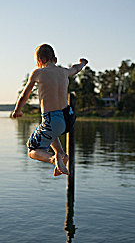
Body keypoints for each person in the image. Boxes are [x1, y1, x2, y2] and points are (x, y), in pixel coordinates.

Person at [12, 44, 88, 176]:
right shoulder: (64, 72)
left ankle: (53, 159)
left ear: (39, 61)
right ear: (56, 60)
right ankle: (61, 154)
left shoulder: (38, 73)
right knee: (51, 131)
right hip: (67, 119)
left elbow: (25, 94)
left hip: (52, 119)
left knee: (32, 149)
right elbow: (75, 69)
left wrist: (17, 110)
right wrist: (82, 64)